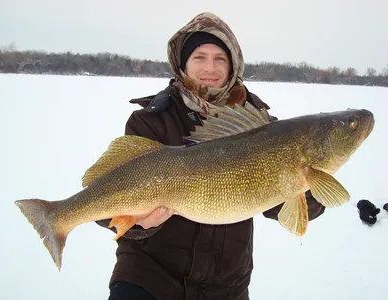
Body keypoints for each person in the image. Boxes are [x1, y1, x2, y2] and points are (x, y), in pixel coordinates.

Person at [98, 12, 326, 300]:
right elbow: (105, 202)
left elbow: (287, 209)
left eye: (220, 58)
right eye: (199, 57)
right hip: (149, 277)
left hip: (226, 287)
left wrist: (308, 182)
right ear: (182, 64)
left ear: (233, 66)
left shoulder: (262, 127)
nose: (211, 68)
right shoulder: (151, 121)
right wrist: (140, 225)